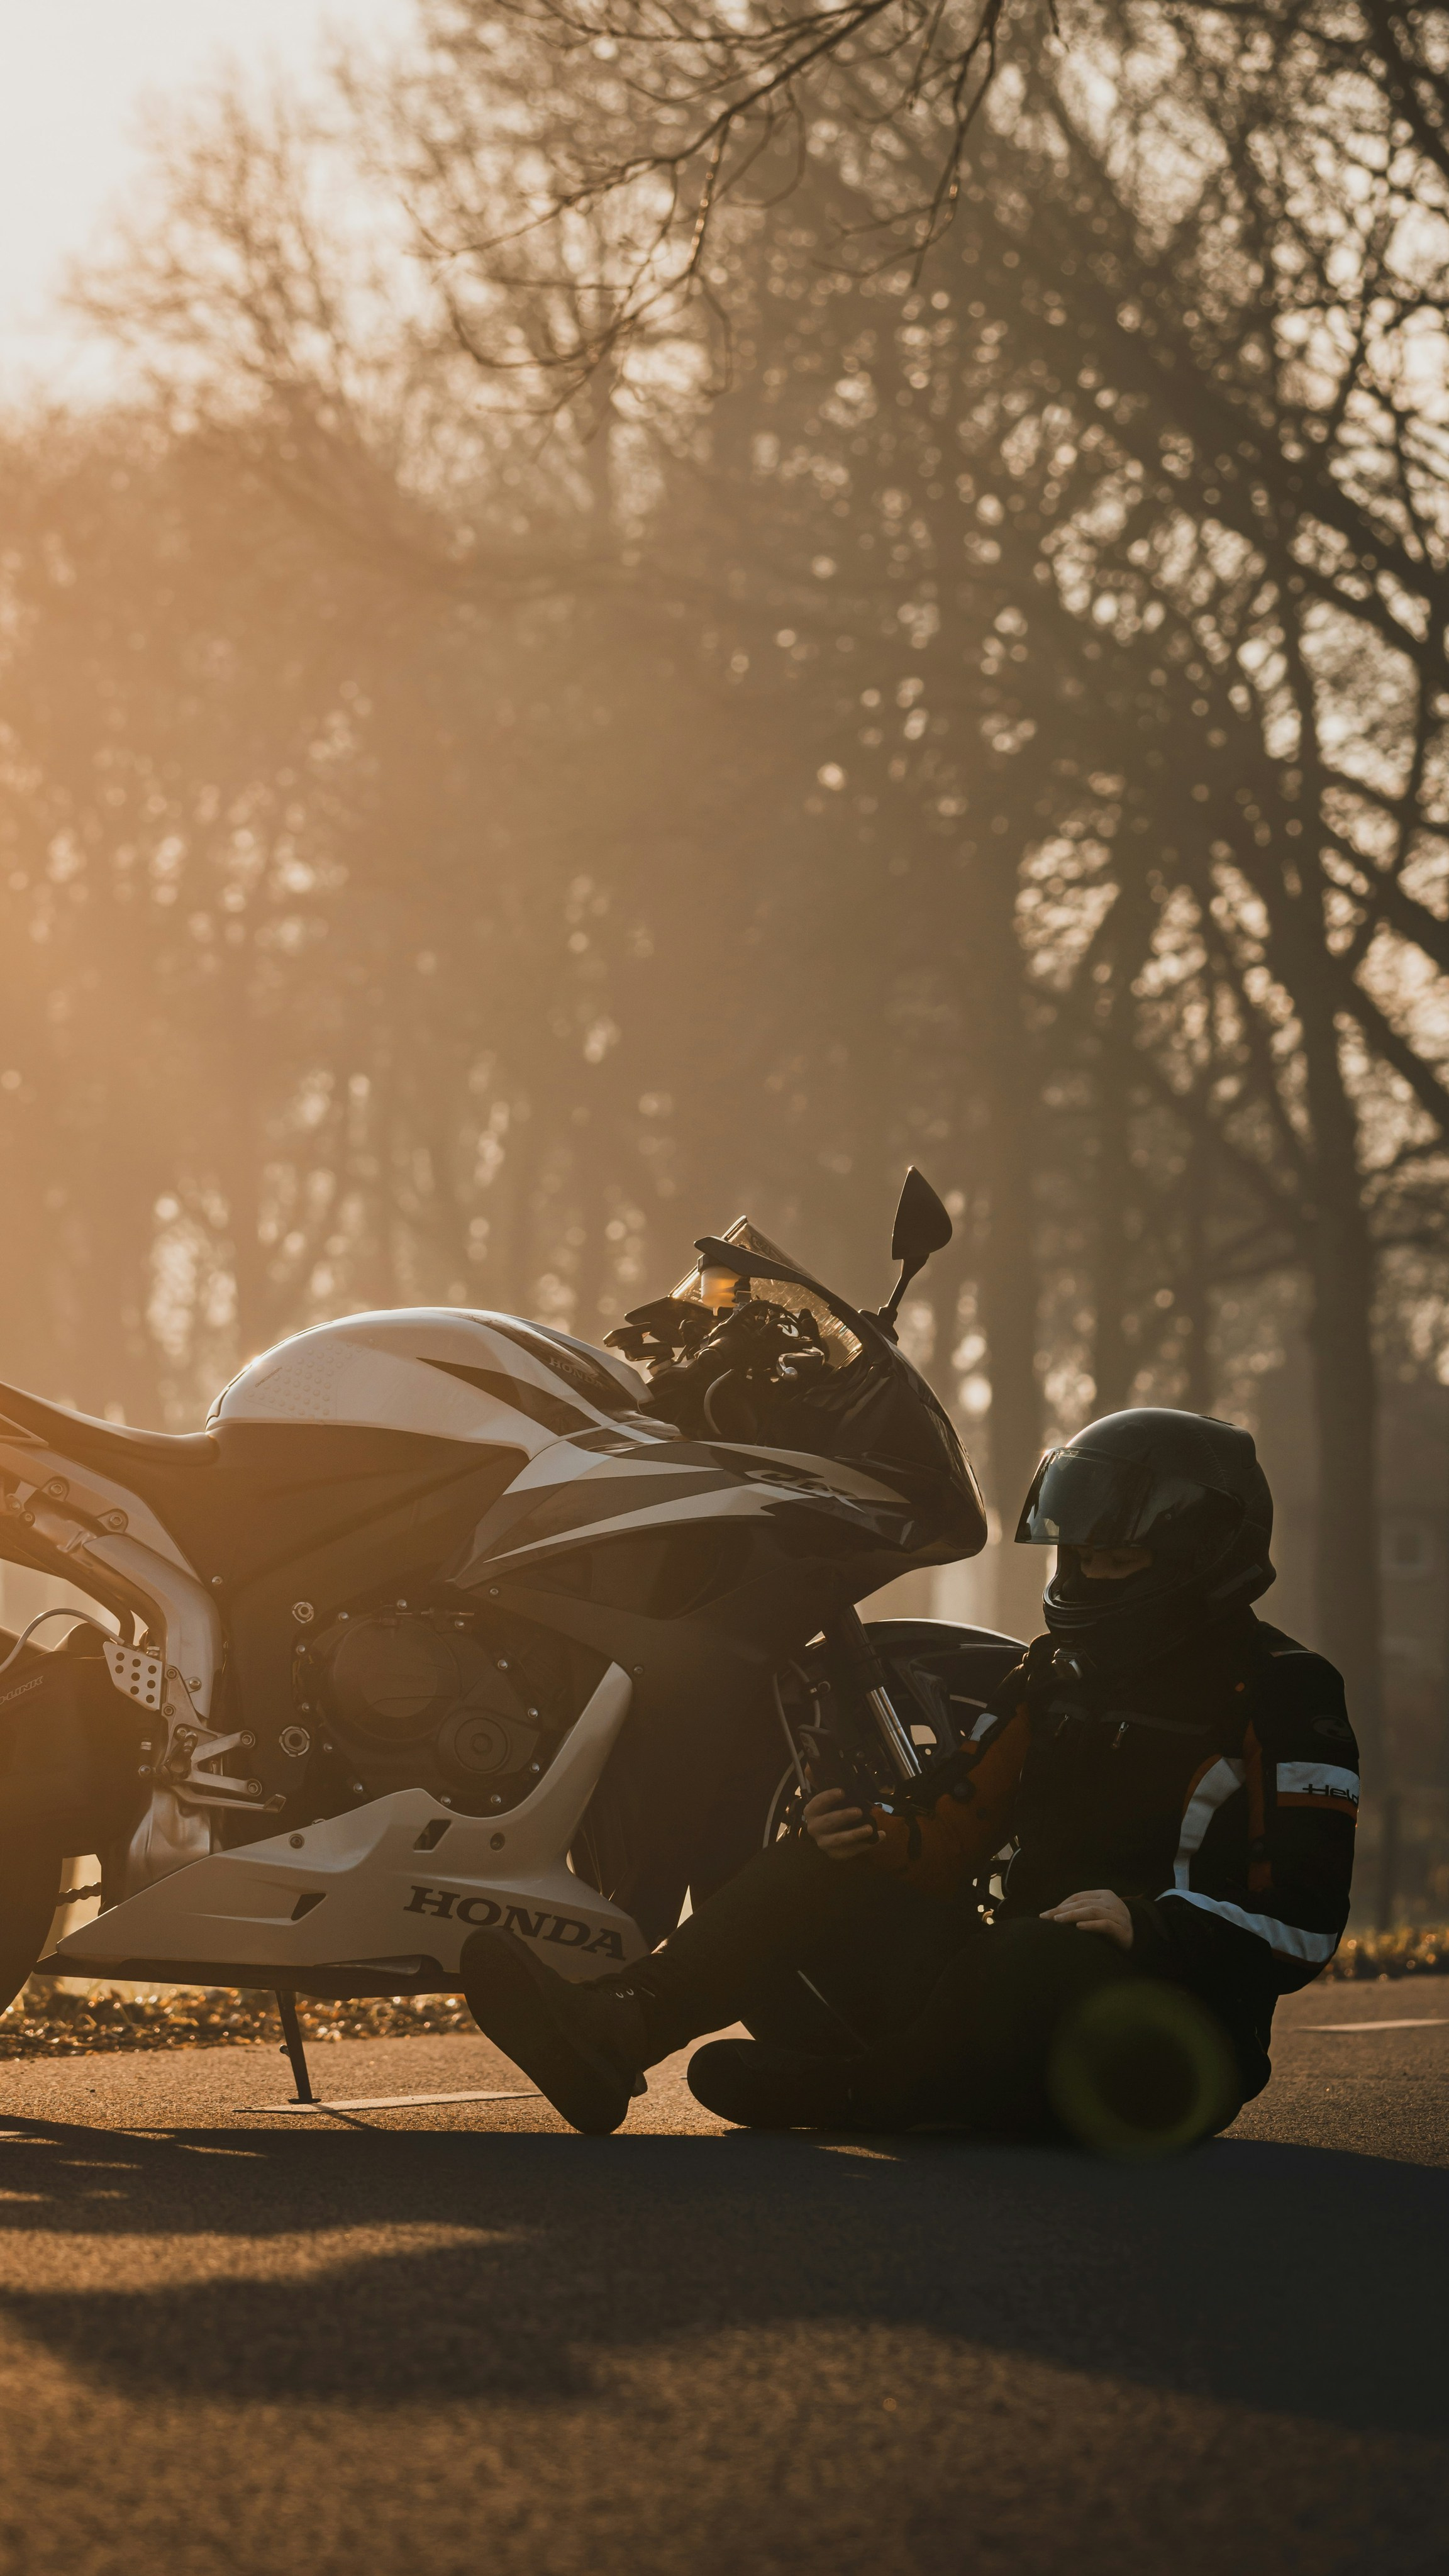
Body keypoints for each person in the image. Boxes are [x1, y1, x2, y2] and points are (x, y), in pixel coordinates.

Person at [460, 1408, 1359, 2146]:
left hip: (1167, 2046)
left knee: (1034, 1951)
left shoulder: (1284, 1690)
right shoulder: (1055, 1669)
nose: (1082, 1572)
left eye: (1112, 1556)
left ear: (1195, 1551)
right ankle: (619, 2030)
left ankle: (859, 2096)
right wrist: (870, 1836)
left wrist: (1148, 1926)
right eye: (1074, 1553)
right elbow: (951, 1822)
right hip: (1007, 2006)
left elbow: (1306, 1925)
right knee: (828, 1858)